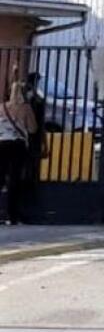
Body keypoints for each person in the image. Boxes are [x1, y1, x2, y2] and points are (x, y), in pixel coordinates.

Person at [0, 79, 38, 225]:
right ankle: (12, 215)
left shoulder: (1, 107)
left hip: (2, 144)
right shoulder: (26, 108)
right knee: (14, 179)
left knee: (0, 177)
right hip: (18, 146)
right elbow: (33, 129)